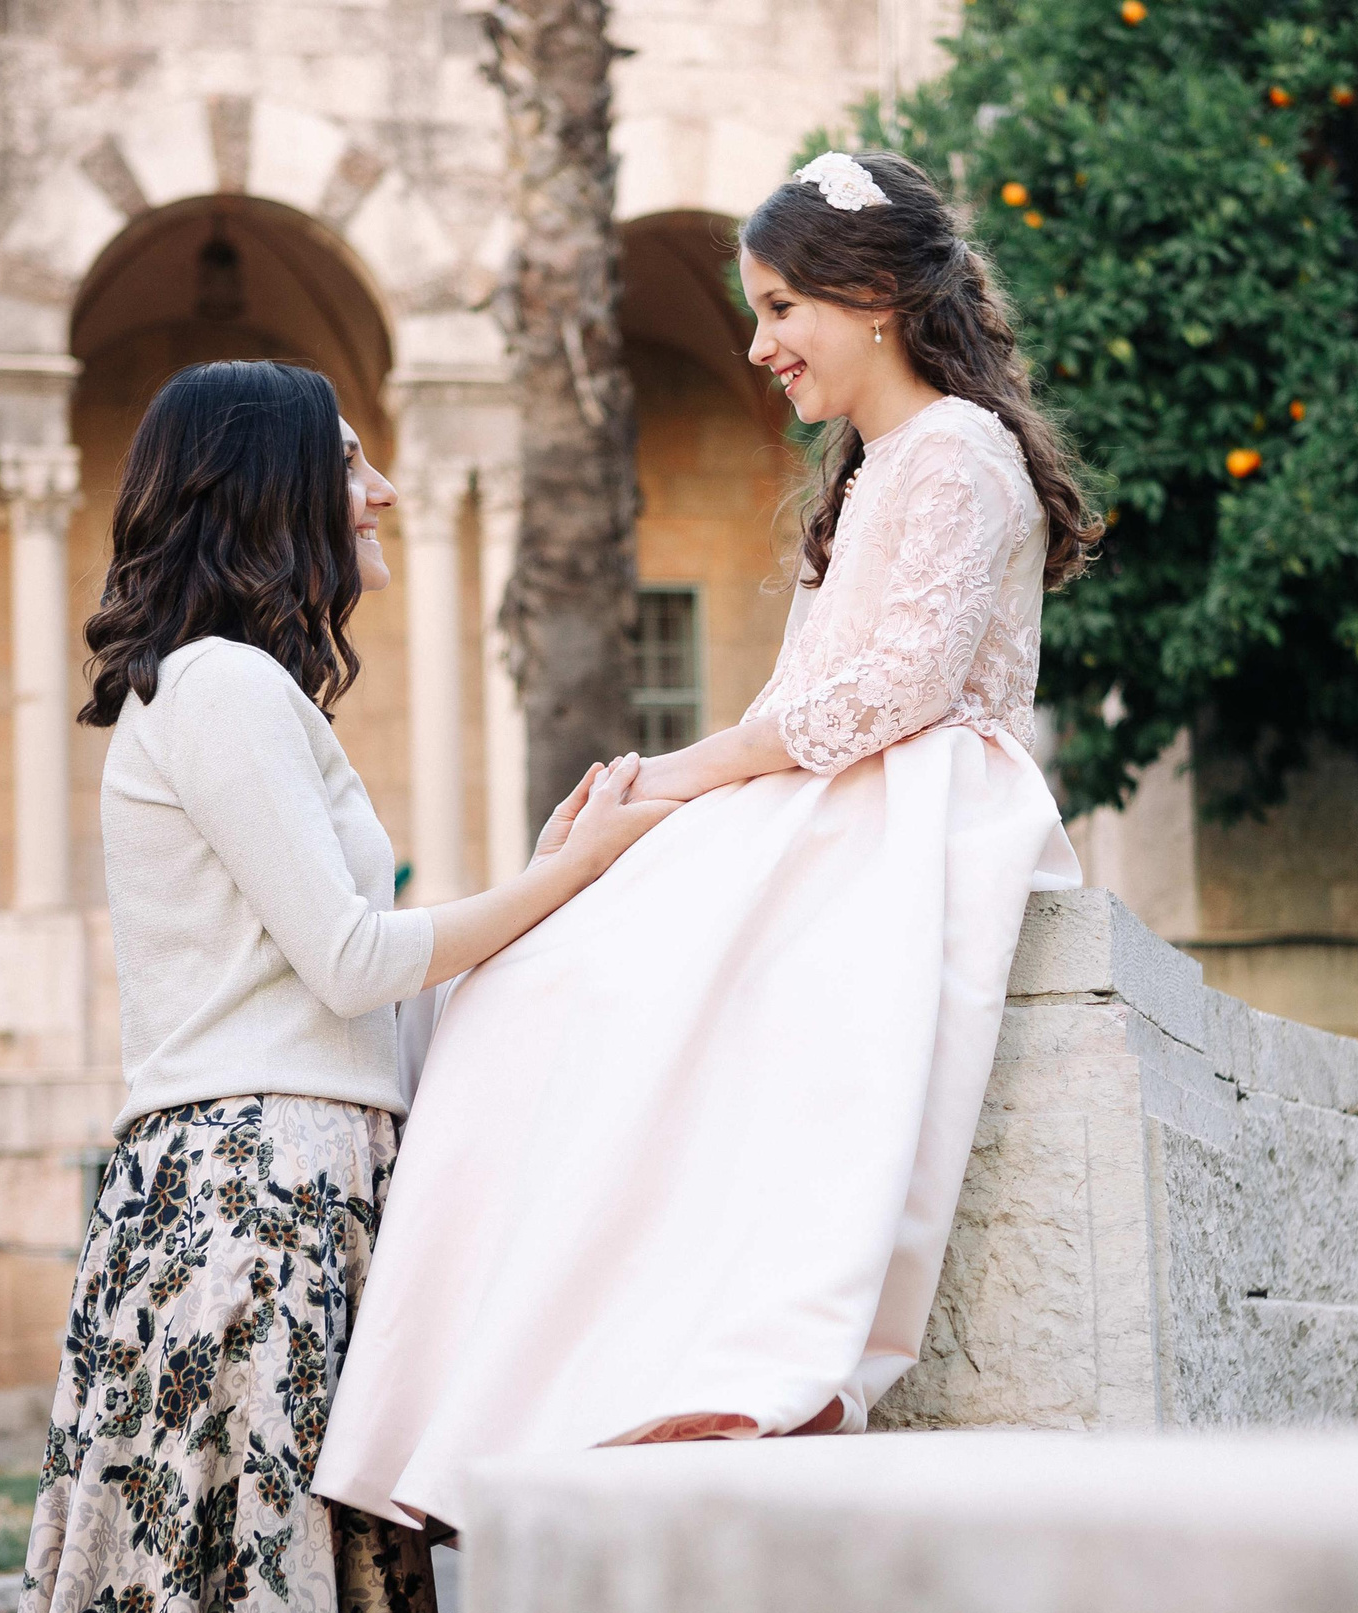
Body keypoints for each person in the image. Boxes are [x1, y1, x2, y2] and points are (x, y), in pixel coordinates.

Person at [314, 149, 1099, 1531]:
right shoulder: (878, 467)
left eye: (783, 308)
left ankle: (695, 1357)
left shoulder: (960, 452)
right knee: (524, 978)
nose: (759, 345)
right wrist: (651, 807)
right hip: (836, 783)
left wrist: (686, 774)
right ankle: (524, 1377)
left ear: (874, 300)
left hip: (914, 798)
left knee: (597, 977)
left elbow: (898, 690)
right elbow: (806, 699)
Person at [2, 360, 675, 1613]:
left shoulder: (242, 692)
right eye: (351, 460)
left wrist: (541, 884)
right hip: (249, 1203)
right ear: (271, 487)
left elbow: (354, 992)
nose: (384, 488)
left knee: (272, 1603)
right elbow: (355, 961)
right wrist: (570, 876)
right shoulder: (222, 688)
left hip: (282, 1189)